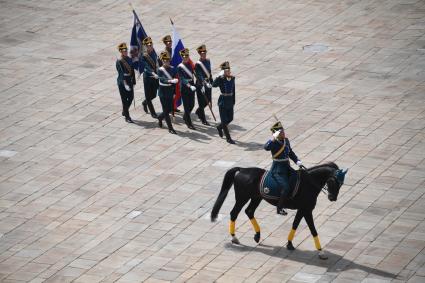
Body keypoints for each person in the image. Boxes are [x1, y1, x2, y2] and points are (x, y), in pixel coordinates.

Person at [264, 122, 303, 215]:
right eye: (281, 132)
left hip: (287, 167)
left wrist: (297, 161)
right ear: (276, 134)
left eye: (283, 131)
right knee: (285, 188)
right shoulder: (273, 143)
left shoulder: (286, 140)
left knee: (298, 179)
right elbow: (266, 147)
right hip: (278, 170)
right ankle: (279, 208)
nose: (283, 133)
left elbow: (290, 152)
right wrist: (273, 138)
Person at [212, 61, 235, 144]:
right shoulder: (221, 79)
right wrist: (218, 76)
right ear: (223, 71)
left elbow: (233, 90)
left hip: (230, 100)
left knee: (230, 118)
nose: (228, 72)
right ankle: (228, 138)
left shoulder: (232, 78)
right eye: (226, 70)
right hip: (223, 100)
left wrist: (233, 101)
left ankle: (219, 127)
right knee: (224, 120)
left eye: (229, 70)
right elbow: (213, 85)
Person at [157, 51, 178, 134]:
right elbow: (162, 79)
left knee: (169, 109)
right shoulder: (160, 70)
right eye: (165, 61)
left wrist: (174, 92)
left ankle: (160, 117)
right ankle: (170, 128)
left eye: (168, 60)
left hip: (170, 91)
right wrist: (170, 80)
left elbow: (175, 82)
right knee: (166, 110)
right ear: (162, 61)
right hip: (162, 92)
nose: (166, 62)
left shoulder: (173, 69)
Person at [116, 42, 136, 123]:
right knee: (124, 100)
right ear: (121, 51)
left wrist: (133, 80)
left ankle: (125, 110)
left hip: (129, 80)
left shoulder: (129, 59)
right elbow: (120, 73)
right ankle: (127, 117)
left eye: (126, 50)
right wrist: (125, 84)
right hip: (122, 82)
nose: (126, 51)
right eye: (124, 50)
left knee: (131, 98)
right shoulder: (119, 61)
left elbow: (132, 70)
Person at [177, 48, 196, 129]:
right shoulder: (179, 67)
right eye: (184, 56)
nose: (186, 58)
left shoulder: (190, 64)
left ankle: (185, 116)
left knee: (192, 104)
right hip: (185, 88)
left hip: (192, 86)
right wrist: (189, 85)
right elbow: (182, 78)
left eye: (187, 56)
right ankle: (189, 123)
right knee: (186, 106)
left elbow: (195, 73)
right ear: (182, 57)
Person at [140, 36, 159, 118]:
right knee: (148, 95)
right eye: (148, 45)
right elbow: (146, 66)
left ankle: (145, 102)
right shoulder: (143, 56)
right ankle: (153, 113)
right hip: (148, 77)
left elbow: (158, 62)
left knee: (154, 95)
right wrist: (152, 72)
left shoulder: (154, 52)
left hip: (155, 77)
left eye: (151, 44)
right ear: (145, 46)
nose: (150, 46)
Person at [194, 44, 213, 125]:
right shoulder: (198, 64)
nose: (204, 54)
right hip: (200, 84)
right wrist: (203, 83)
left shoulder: (208, 61)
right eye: (202, 53)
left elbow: (209, 72)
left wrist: (211, 82)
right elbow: (199, 75)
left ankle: (198, 111)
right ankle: (203, 119)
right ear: (199, 54)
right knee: (202, 102)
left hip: (208, 83)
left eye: (204, 52)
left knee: (208, 100)